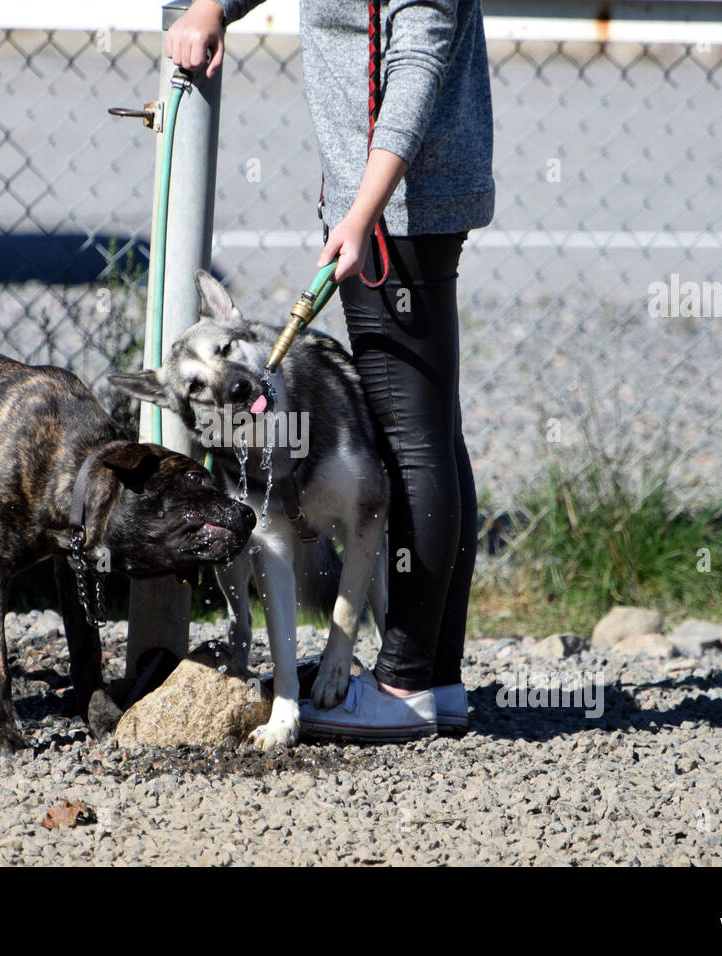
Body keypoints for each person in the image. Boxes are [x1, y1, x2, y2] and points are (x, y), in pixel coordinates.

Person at [166, 0, 493, 740]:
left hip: (398, 205)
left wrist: (361, 210)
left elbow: (415, 62)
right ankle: (436, 680)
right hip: (400, 199)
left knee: (414, 442)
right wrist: (216, 6)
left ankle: (405, 683)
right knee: (435, 432)